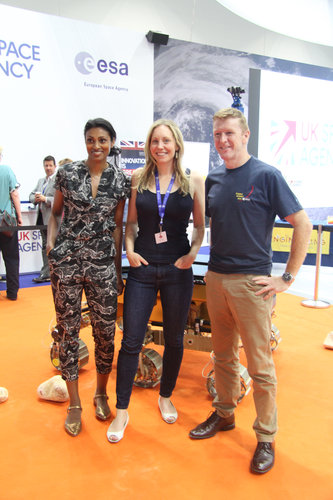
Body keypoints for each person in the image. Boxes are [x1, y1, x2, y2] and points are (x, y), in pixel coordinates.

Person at [189, 108, 313, 474]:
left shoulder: (266, 175)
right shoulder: (213, 179)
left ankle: (266, 437)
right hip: (216, 279)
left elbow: (302, 223)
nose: (223, 140)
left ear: (245, 135)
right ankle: (225, 414)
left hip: (252, 285)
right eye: (217, 135)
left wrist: (286, 278)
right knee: (223, 356)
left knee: (260, 366)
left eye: (229, 133)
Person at [106, 119, 205, 443]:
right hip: (143, 268)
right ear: (150, 147)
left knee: (175, 339)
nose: (160, 146)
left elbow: (200, 227)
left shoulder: (193, 180)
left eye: (166, 141)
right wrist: (129, 251)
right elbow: (131, 223)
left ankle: (165, 396)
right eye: (154, 141)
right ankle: (122, 410)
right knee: (131, 340)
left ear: (176, 144)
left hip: (178, 269)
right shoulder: (139, 178)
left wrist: (192, 253)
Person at [46, 118, 130, 437]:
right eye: (91, 140)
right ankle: (75, 403)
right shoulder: (67, 174)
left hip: (103, 265)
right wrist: (52, 248)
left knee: (105, 332)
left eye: (103, 140)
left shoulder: (121, 179)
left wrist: (118, 269)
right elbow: (54, 214)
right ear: (85, 142)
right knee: (68, 332)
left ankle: (100, 393)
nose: (97, 146)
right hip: (67, 262)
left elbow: (119, 226)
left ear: (111, 143)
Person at [29, 155, 57, 283]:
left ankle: (54, 273)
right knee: (44, 248)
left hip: (52, 220)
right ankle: (46, 273)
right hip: (41, 220)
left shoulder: (58, 181)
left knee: (53, 248)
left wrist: (46, 199)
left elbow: (60, 200)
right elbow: (31, 194)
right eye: (46, 165)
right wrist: (35, 199)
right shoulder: (41, 181)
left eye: (50, 165)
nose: (48, 168)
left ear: (55, 166)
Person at [0, 147, 22, 300]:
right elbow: (14, 193)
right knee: (11, 258)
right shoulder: (7, 170)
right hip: (6, 222)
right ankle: (12, 293)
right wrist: (19, 217)